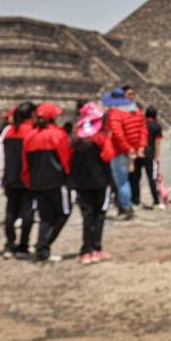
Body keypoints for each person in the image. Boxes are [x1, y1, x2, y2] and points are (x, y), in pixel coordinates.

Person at [22, 102, 72, 263]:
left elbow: (25, 164)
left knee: (46, 217)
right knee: (64, 213)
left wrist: (28, 180)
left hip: (37, 182)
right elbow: (66, 160)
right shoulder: (58, 135)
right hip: (56, 182)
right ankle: (43, 245)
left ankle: (43, 249)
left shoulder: (30, 136)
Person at [69, 103, 115, 265]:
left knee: (87, 216)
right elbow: (109, 156)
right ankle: (95, 247)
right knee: (100, 214)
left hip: (81, 182)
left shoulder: (75, 139)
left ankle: (85, 250)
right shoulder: (101, 137)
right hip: (101, 181)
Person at [0, 102, 36, 258]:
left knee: (10, 212)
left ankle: (9, 244)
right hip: (26, 177)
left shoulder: (9, 132)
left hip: (10, 176)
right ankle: (23, 245)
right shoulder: (31, 132)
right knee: (27, 212)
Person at [103, 88, 145, 220]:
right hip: (133, 149)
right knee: (126, 180)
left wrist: (127, 148)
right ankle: (125, 205)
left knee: (121, 182)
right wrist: (140, 147)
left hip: (120, 151)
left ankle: (126, 207)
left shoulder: (115, 113)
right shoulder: (137, 111)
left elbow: (117, 133)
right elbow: (143, 130)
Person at [129, 106, 163, 209]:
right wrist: (157, 156)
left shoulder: (140, 125)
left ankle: (135, 200)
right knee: (152, 178)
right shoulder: (157, 126)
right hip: (149, 154)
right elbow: (157, 142)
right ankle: (156, 201)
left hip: (138, 152)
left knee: (135, 178)